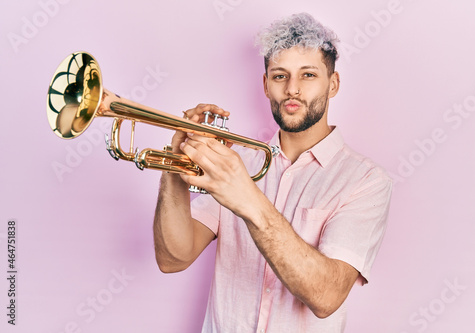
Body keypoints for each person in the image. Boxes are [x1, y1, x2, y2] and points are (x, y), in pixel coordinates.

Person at [153, 13, 392, 333]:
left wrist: (247, 197)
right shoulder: (237, 161)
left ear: (332, 84)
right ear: (266, 85)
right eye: (280, 76)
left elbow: (326, 296)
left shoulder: (365, 181)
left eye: (308, 75)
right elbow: (173, 259)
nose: (292, 89)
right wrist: (173, 165)